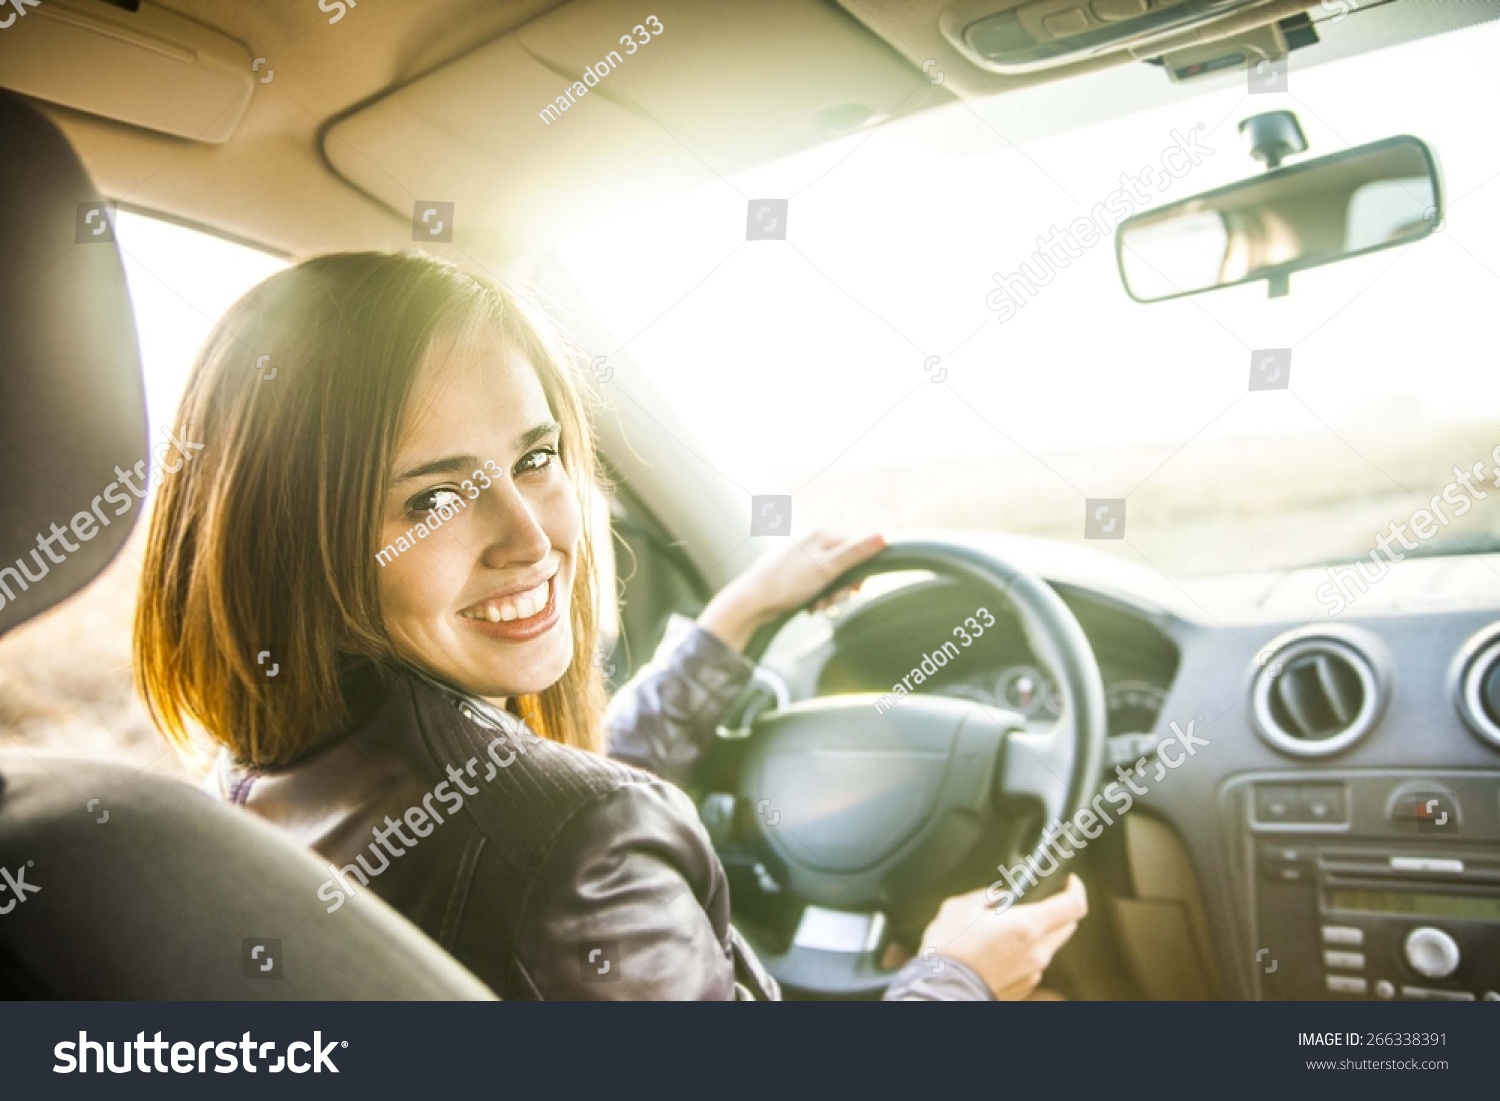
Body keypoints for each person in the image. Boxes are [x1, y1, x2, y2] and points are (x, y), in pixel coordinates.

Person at [134, 251, 1086, 1000]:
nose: (532, 534)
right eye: (432, 501)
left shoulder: (264, 772)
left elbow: (517, 820)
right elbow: (557, 837)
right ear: (293, 541)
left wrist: (729, 623)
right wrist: (955, 977)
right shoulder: (577, 843)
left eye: (537, 455)